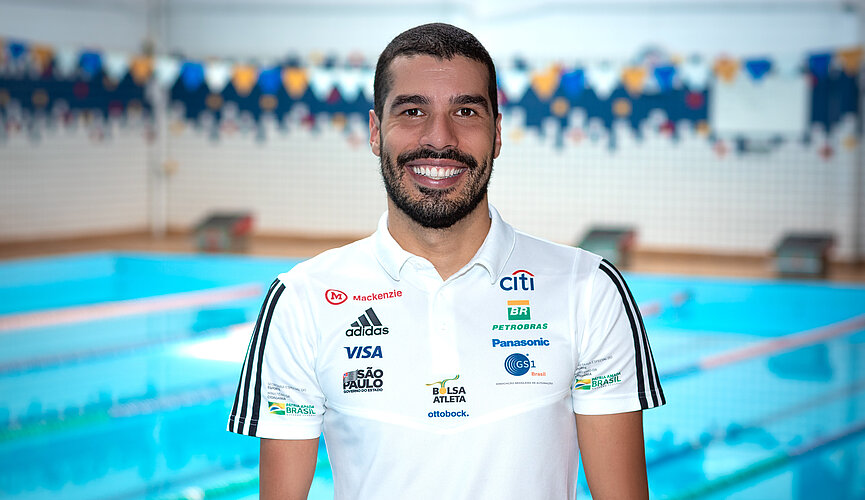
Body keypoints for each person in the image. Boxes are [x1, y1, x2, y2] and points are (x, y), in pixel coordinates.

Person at [228, 22, 665, 500]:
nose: (440, 138)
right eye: (413, 110)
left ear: (497, 134)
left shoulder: (589, 289)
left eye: (466, 110)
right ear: (376, 132)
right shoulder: (303, 300)